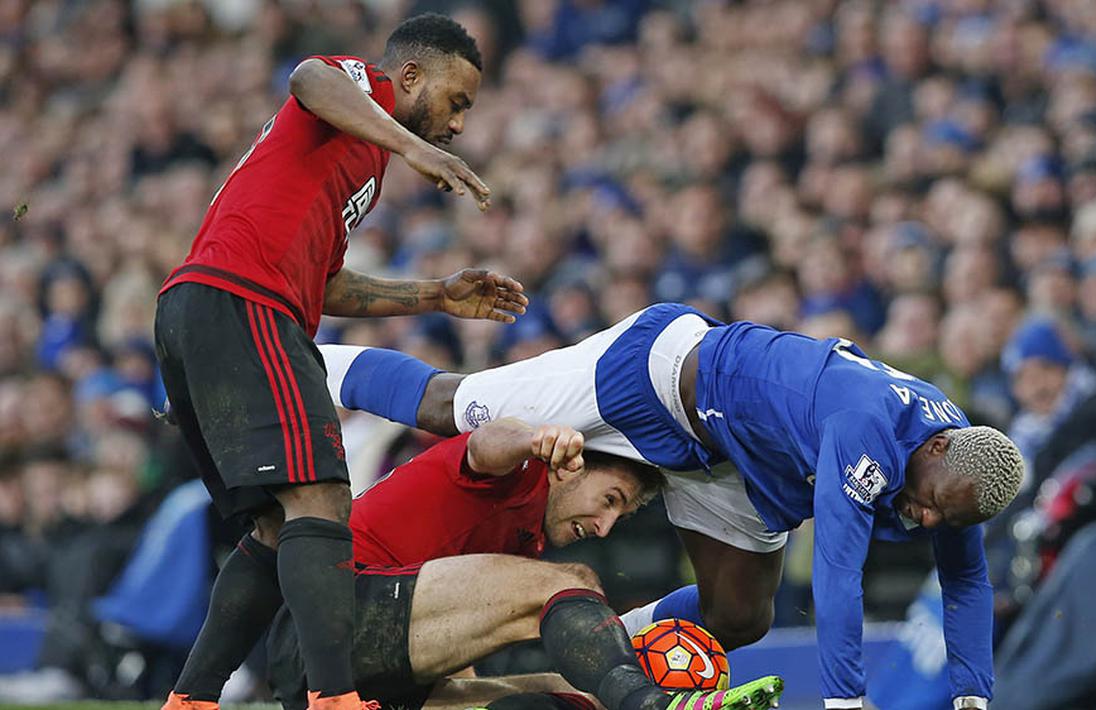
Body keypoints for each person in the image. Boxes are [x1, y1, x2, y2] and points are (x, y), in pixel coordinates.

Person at [322, 303, 1026, 709]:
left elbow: (965, 576)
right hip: (652, 380)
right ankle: (301, 359)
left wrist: (972, 695)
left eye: (942, 519)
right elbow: (838, 570)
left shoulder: (956, 461)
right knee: (454, 405)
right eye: (931, 506)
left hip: (728, 458)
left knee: (737, 617)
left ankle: (598, 643)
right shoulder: (866, 429)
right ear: (931, 453)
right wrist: (845, 701)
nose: (925, 520)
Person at [154, 14, 528, 710]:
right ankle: (334, 699)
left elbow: (327, 283)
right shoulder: (360, 89)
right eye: (456, 101)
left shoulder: (354, 157)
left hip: (207, 308)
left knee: (276, 524)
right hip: (243, 300)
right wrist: (411, 149)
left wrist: (435, 295)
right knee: (321, 499)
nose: (458, 126)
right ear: (410, 76)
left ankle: (192, 699)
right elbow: (308, 76)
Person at [265, 417, 784, 710]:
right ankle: (646, 703)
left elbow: (447, 675)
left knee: (566, 692)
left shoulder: (514, 552)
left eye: (618, 516)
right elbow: (483, 443)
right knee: (575, 582)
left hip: (372, 675)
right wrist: (538, 439)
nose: (603, 527)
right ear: (571, 467)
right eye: (610, 500)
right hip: (327, 625)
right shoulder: (517, 473)